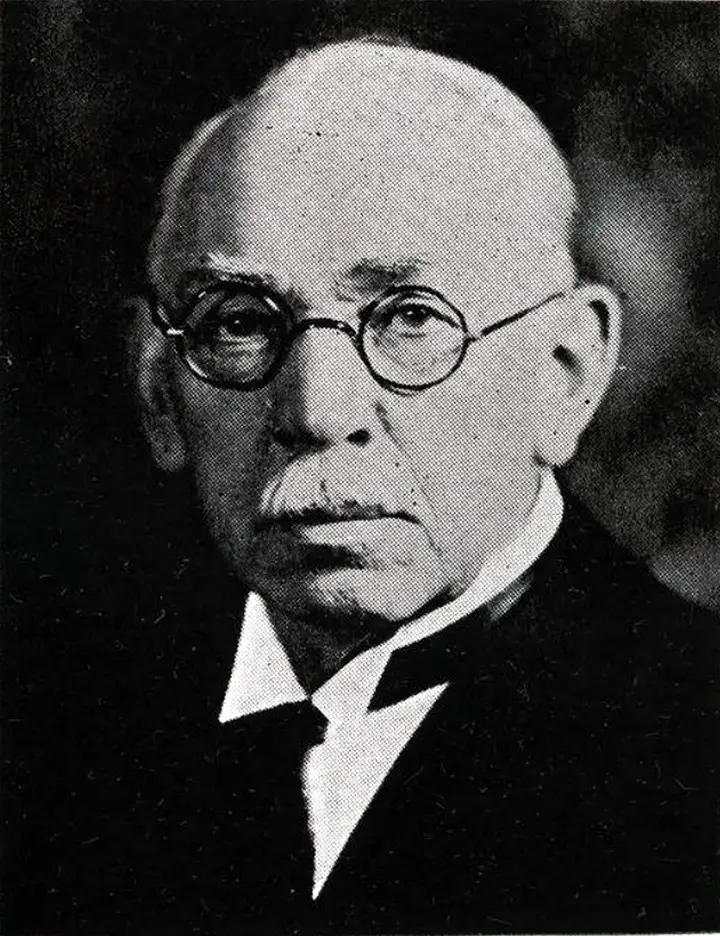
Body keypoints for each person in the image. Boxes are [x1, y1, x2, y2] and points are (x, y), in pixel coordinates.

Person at [8, 37, 718, 935]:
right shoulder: (52, 734)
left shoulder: (693, 741)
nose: (315, 408)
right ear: (157, 391)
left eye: (411, 318)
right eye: (240, 322)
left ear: (566, 373)